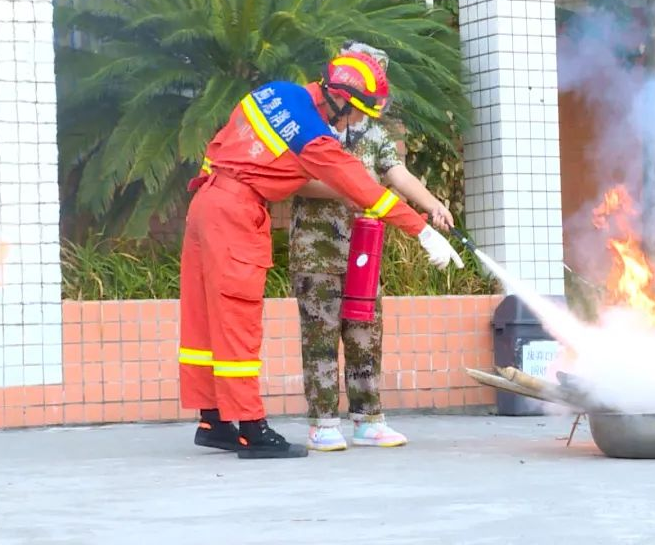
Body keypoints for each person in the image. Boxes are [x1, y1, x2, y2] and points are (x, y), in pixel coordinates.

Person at [177, 47, 465, 460]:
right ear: (341, 101)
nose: (357, 123)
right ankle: (252, 431)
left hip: (206, 201)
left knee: (205, 321)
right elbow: (364, 190)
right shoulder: (314, 137)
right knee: (238, 322)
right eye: (358, 114)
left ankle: (214, 421)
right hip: (235, 215)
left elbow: (219, 142)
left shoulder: (275, 93)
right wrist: (421, 231)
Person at [289, 42, 454, 452]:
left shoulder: (373, 134)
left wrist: (432, 205)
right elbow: (295, 181)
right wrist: (349, 190)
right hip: (316, 252)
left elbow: (398, 174)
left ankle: (368, 419)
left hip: (363, 252)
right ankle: (323, 423)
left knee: (365, 336)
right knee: (320, 337)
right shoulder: (311, 124)